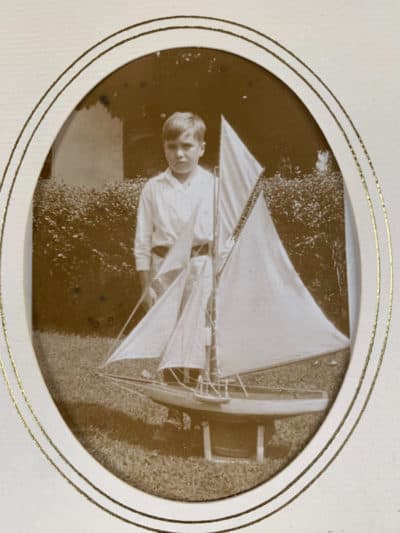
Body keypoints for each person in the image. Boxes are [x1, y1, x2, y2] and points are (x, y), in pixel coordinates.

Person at [134, 111, 214, 396]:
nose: (179, 154)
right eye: (172, 147)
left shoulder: (213, 186)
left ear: (201, 148)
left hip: (201, 266)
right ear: (164, 148)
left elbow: (225, 237)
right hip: (164, 269)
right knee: (169, 334)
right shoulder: (153, 188)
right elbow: (142, 241)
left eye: (187, 146)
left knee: (197, 333)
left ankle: (197, 403)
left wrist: (221, 277)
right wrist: (146, 286)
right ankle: (173, 411)